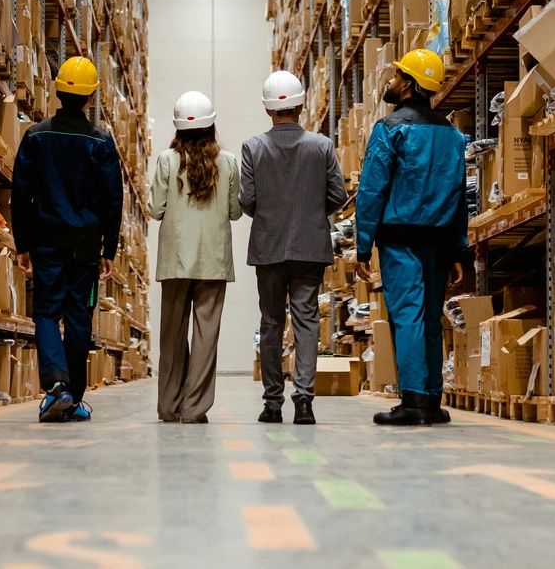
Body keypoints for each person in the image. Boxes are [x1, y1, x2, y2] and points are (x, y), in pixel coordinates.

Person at [353, 48, 468, 428]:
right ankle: (432, 400)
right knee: (431, 317)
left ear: (408, 85)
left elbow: (372, 190)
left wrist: (363, 245)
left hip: (401, 240)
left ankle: (414, 400)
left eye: (397, 75)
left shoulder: (390, 129)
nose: (391, 80)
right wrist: (458, 249)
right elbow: (458, 194)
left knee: (407, 316)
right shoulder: (452, 135)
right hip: (439, 240)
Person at [11, 55, 124, 424]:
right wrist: (109, 248)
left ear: (58, 91)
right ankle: (72, 397)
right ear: (90, 97)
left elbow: (21, 193)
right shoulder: (100, 141)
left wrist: (22, 242)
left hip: (46, 241)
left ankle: (56, 384)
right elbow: (113, 199)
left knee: (46, 311)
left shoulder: (37, 136)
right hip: (86, 246)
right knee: (78, 317)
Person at [238, 69, 346, 425]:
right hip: (310, 246)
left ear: (268, 108)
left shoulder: (252, 148)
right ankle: (303, 401)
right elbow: (338, 195)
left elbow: (247, 200)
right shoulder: (322, 146)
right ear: (301, 105)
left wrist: (271, 215)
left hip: (268, 246)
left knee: (271, 322)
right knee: (307, 321)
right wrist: (312, 213)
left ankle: (273, 403)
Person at [148, 91, 242, 424]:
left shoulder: (167, 161)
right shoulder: (228, 162)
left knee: (172, 336)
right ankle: (194, 409)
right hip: (213, 260)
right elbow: (235, 212)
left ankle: (169, 407)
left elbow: (155, 209)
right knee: (206, 336)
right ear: (211, 125)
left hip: (175, 260)